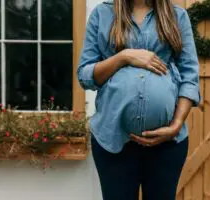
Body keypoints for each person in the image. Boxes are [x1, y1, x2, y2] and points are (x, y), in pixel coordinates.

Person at [77, 0, 200, 199]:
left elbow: (190, 77)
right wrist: (124, 56)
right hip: (112, 141)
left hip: (167, 144)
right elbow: (85, 76)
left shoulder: (177, 16)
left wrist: (176, 125)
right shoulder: (102, 14)